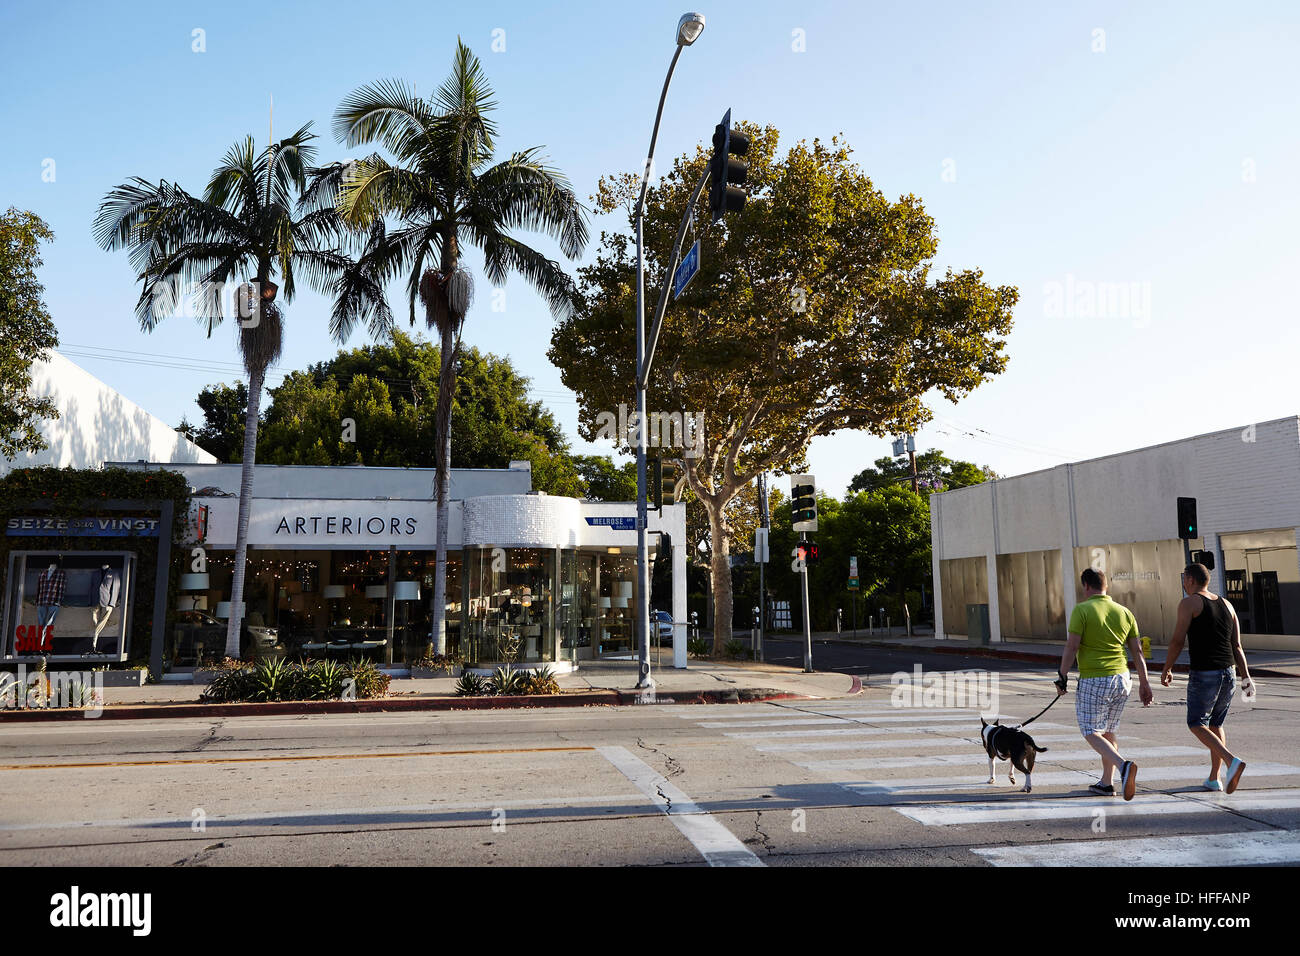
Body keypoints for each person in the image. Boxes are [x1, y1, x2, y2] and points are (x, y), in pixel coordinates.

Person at [1056, 567, 1153, 800]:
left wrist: (1062, 675)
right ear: (1106, 585)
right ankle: (1107, 783)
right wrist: (1145, 683)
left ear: (1086, 586)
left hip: (1095, 677)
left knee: (1090, 731)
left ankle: (1123, 766)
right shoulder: (1124, 612)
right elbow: (1137, 650)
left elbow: (1072, 646)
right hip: (1122, 678)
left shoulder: (1082, 610)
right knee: (1108, 731)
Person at [1160, 563, 1252, 793]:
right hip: (1228, 672)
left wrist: (1167, 668)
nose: (1183, 584)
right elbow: (1237, 645)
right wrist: (1246, 676)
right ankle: (1214, 778)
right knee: (1216, 724)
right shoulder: (1227, 604)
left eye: (1184, 579)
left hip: (1205, 672)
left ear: (1190, 580)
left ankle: (1232, 762)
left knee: (1196, 723)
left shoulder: (1189, 603)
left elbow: (1177, 640)